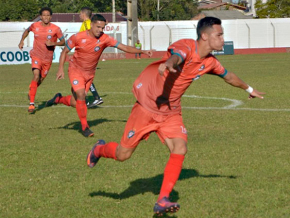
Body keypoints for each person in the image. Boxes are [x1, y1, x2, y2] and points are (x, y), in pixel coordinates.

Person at [85, 17, 265, 216]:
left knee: (180, 147)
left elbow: (229, 77)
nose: (223, 39)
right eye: (219, 35)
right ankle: (100, 149)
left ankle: (162, 199)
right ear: (204, 36)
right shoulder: (187, 46)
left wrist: (249, 89)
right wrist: (170, 63)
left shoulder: (210, 62)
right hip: (146, 108)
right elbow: (177, 56)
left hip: (171, 112)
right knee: (122, 155)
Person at [45, 14, 153, 137]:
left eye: (102, 28)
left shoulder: (105, 39)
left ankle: (58, 99)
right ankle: (85, 128)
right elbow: (65, 51)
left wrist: (142, 51)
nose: (100, 30)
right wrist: (60, 69)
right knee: (81, 95)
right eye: (98, 27)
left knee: (77, 102)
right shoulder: (77, 37)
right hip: (76, 70)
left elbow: (124, 47)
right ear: (91, 25)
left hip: (90, 74)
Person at [18, 7, 65, 113]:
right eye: (44, 15)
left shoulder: (56, 29)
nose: (46, 17)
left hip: (47, 59)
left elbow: (63, 42)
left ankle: (32, 88)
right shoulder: (35, 26)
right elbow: (27, 30)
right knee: (36, 75)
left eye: (48, 15)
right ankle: (31, 105)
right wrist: (22, 41)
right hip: (36, 56)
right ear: (40, 16)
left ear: (51, 16)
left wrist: (54, 43)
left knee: (40, 80)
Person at [79, 7, 103, 108]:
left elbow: (82, 37)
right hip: (89, 54)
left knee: (83, 76)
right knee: (83, 76)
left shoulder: (86, 24)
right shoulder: (90, 23)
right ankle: (88, 99)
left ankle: (96, 98)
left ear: (83, 14)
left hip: (87, 54)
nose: (79, 16)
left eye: (80, 14)